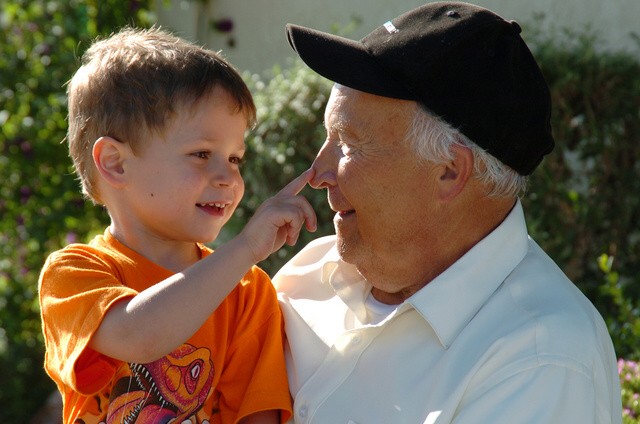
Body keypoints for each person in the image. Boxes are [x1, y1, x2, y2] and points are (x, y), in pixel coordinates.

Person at [273, 2, 622, 423]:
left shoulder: (541, 357)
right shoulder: (309, 274)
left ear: (450, 171)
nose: (318, 173)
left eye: (348, 145)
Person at [38, 27, 316, 424]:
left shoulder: (248, 294)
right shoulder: (74, 275)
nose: (228, 178)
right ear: (116, 163)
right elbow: (139, 335)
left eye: (235, 158)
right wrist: (245, 248)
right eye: (202, 153)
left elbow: (259, 415)